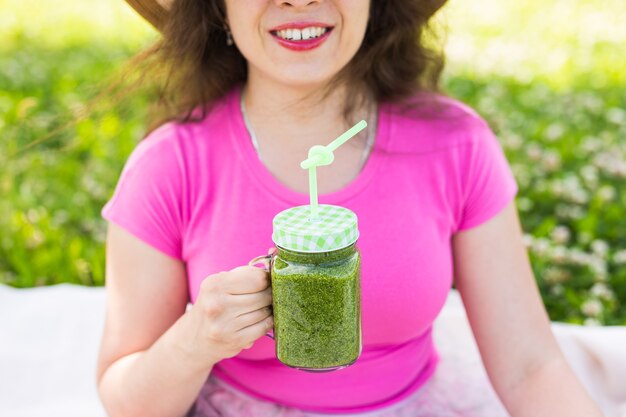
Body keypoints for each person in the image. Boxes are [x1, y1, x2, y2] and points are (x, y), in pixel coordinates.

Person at [96, 0, 603, 416]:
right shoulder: (170, 166)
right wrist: (196, 340)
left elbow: (530, 368)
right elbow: (125, 400)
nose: (297, 1)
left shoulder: (455, 146)